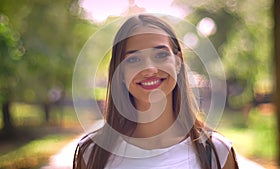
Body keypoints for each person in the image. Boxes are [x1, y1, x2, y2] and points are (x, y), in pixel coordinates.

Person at [73, 14, 239, 169]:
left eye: (160, 55)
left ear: (178, 62)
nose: (149, 69)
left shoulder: (217, 152)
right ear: (120, 72)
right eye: (134, 59)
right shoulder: (92, 153)